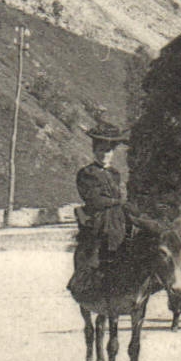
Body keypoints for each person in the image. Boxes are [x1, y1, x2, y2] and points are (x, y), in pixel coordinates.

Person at [71, 122, 131, 286]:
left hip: (117, 214)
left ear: (113, 153)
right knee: (108, 234)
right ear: (94, 151)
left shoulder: (114, 173)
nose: (105, 155)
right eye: (101, 150)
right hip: (100, 216)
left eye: (108, 151)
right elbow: (95, 200)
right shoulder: (87, 173)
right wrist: (118, 201)